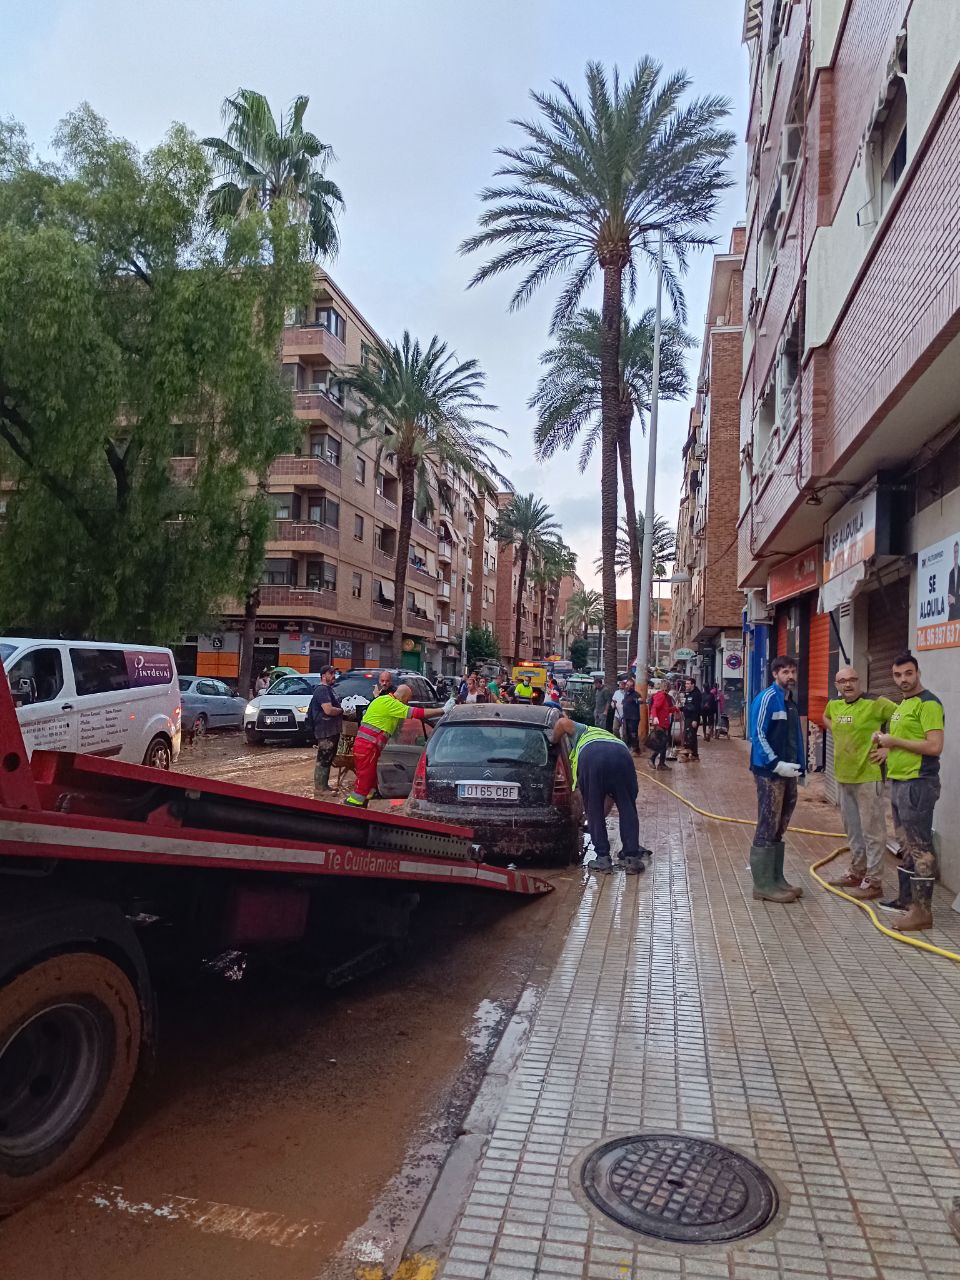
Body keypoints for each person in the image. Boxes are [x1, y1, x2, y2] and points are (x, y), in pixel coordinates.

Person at [870, 653, 944, 931]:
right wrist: (886, 749)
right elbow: (908, 742)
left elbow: (934, 746)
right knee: (905, 844)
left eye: (908, 673)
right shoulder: (904, 704)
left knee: (920, 847)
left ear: (918, 673)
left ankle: (922, 912)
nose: (903, 679)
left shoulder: (929, 704)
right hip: (900, 781)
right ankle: (906, 900)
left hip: (918, 784)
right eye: (897, 675)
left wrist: (894, 740)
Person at [822, 666, 897, 900]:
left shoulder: (877, 703)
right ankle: (857, 871)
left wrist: (888, 746)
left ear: (859, 681)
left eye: (853, 679)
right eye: (842, 681)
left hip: (868, 777)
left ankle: (874, 881)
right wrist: (836, 729)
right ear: (837, 685)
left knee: (872, 831)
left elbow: (902, 718)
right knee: (853, 830)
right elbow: (825, 717)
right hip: (844, 777)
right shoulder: (834, 705)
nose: (848, 684)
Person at [552, 714, 650, 874]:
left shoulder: (583, 730)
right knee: (627, 808)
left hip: (592, 756)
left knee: (594, 809)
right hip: (623, 756)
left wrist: (553, 740)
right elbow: (611, 798)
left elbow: (562, 723)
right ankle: (631, 858)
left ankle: (603, 859)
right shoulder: (607, 736)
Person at [748, 655, 805, 903]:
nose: (790, 676)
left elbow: (796, 737)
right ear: (775, 674)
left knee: (781, 824)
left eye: (793, 671)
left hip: (788, 771)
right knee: (767, 824)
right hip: (770, 773)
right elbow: (757, 734)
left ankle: (776, 878)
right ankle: (762, 885)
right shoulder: (768, 698)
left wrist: (800, 768)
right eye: (785, 672)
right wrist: (775, 764)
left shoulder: (790, 702)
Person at [346, 684, 444, 807]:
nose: (407, 703)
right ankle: (354, 803)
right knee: (365, 775)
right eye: (407, 699)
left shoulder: (382, 700)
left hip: (365, 745)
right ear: (403, 697)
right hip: (368, 746)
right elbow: (416, 713)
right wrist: (442, 710)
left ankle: (369, 796)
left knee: (369, 774)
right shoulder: (391, 704)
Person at [304, 665, 344, 794]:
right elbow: (328, 710)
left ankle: (324, 786)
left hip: (331, 730)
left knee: (327, 758)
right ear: (323, 676)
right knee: (323, 758)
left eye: (334, 673)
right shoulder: (322, 690)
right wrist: (342, 710)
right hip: (325, 730)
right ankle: (320, 788)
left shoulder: (329, 689)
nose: (334, 676)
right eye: (331, 673)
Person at [649, 680, 674, 770]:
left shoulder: (663, 696)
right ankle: (653, 759)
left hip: (663, 723)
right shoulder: (661, 696)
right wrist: (655, 717)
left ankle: (661, 764)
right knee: (662, 744)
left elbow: (666, 710)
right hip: (660, 724)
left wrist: (675, 709)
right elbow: (654, 708)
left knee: (663, 744)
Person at [679, 677, 703, 761]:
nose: (686, 685)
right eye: (686, 683)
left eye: (688, 683)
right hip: (687, 717)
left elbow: (697, 708)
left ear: (693, 684)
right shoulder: (687, 693)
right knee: (692, 736)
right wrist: (680, 708)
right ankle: (694, 755)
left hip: (693, 719)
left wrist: (695, 720)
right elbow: (686, 706)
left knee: (688, 736)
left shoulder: (697, 694)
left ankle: (686, 755)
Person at [621, 678, 641, 752]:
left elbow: (639, 699)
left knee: (633, 733)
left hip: (634, 718)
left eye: (630, 685)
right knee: (627, 733)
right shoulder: (626, 694)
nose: (628, 687)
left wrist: (639, 700)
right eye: (627, 685)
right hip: (626, 717)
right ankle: (630, 747)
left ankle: (636, 748)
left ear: (633, 687)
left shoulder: (636, 694)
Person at [948, 540, 960, 621]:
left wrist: (955, 600)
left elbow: (953, 599)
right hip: (951, 616)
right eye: (954, 552)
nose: (955, 555)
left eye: (957, 552)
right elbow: (949, 598)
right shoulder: (951, 573)